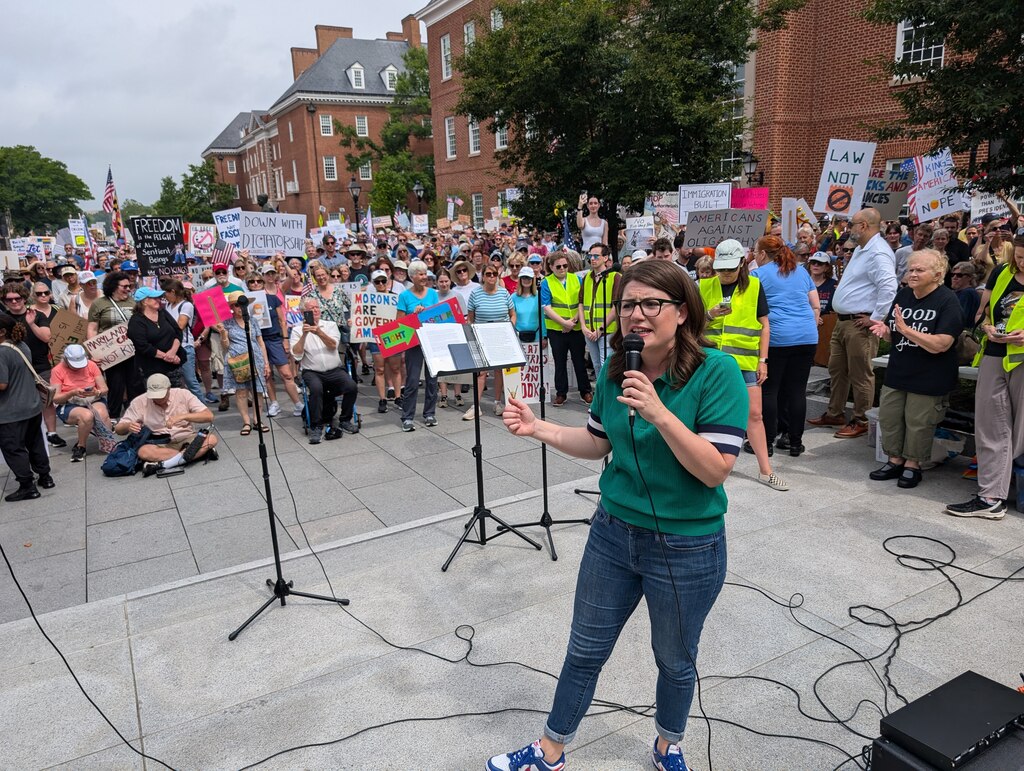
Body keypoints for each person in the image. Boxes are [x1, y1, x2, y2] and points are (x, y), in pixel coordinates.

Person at [489, 261, 747, 771]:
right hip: (613, 534)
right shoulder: (615, 372)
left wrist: (660, 413)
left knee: (675, 659)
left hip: (687, 546)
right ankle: (551, 750)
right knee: (584, 648)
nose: (637, 315)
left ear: (682, 311)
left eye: (653, 303)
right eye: (628, 304)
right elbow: (596, 441)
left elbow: (715, 469)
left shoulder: (717, 373)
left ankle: (668, 743)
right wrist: (537, 428)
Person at [867, 249, 963, 489]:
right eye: (910, 269)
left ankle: (913, 465)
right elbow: (894, 333)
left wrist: (906, 330)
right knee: (890, 418)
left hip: (930, 375)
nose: (913, 274)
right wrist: (885, 331)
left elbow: (942, 344)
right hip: (899, 370)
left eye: (920, 270)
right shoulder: (903, 295)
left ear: (938, 273)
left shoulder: (947, 300)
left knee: (918, 422)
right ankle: (894, 460)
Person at [946, 235, 1024, 518]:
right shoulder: (1003, 272)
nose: (1020, 263)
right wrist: (988, 327)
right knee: (991, 427)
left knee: (1018, 431)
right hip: (994, 354)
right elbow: (985, 312)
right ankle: (990, 496)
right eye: (1018, 256)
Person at [702, 239, 785, 491]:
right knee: (706, 413)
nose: (725, 273)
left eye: (730, 268)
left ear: (741, 263)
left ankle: (766, 470)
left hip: (745, 361)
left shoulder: (755, 286)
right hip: (711, 360)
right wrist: (709, 315)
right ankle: (705, 465)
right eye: (720, 268)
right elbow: (688, 325)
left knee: (755, 414)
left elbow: (765, 325)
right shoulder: (703, 286)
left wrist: (763, 360)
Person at [809, 208, 897, 439]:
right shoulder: (861, 250)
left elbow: (889, 287)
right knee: (837, 369)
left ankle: (861, 418)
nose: (849, 228)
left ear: (864, 226)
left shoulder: (878, 253)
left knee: (861, 373)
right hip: (843, 321)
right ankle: (835, 412)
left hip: (860, 323)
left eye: (853, 224)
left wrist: (876, 319)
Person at [753, 236, 820, 458]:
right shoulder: (801, 271)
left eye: (755, 251)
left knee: (770, 390)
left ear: (763, 254)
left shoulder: (758, 274)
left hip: (778, 337)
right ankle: (794, 442)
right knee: (797, 391)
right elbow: (815, 304)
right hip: (807, 336)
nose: (754, 255)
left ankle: (767, 441)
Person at [114, 373, 218, 476]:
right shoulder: (140, 401)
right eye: (154, 396)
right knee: (143, 452)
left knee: (211, 439)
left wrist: (183, 416)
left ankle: (164, 464)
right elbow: (118, 429)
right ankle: (195, 455)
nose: (158, 399)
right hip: (159, 442)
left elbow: (209, 416)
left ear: (169, 389)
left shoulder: (183, 394)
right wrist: (127, 426)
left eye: (161, 396)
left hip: (186, 437)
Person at [0, 313, 54, 501]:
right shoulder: (21, 345)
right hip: (31, 406)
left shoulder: (1, 352)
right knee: (35, 442)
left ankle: (26, 485)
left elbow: (2, 384)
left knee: (14, 448)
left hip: (10, 412)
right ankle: (45, 477)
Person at [290, 297, 359, 444]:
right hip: (312, 371)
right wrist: (304, 334)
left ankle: (345, 419)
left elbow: (333, 345)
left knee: (351, 386)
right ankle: (316, 425)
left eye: (316, 307)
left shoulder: (330, 325)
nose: (315, 310)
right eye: (311, 309)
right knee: (315, 389)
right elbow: (296, 354)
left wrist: (319, 332)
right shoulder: (296, 330)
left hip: (334, 369)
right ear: (303, 313)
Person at [50, 343, 118, 461]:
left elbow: (104, 389)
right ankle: (81, 446)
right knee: (87, 416)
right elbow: (56, 398)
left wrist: (96, 392)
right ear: (66, 360)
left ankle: (108, 442)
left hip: (92, 399)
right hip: (69, 403)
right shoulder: (57, 370)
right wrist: (72, 393)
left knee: (101, 413)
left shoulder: (91, 365)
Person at [466, 260, 516, 418]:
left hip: (501, 336)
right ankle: (476, 405)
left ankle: (497, 403)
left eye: (495, 274)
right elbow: (470, 318)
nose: (492, 277)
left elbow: (512, 314)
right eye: (488, 274)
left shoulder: (504, 292)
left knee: (499, 370)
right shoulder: (475, 293)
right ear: (483, 277)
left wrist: (510, 328)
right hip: (481, 335)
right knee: (481, 373)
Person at [542, 252, 593, 408]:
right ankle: (561, 393)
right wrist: (564, 323)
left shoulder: (576, 279)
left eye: (565, 265)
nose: (562, 268)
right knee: (560, 362)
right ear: (551, 267)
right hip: (556, 329)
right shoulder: (546, 282)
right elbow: (546, 307)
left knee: (579, 361)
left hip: (575, 327)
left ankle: (585, 391)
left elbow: (582, 301)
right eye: (558, 266)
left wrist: (573, 321)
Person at [87, 271, 138, 419]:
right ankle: (114, 416)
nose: (128, 289)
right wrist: (93, 352)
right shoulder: (99, 303)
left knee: (134, 383)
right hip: (110, 353)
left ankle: (134, 414)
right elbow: (92, 328)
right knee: (115, 384)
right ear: (114, 286)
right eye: (125, 286)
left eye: (130, 286)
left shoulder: (133, 302)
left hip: (132, 350)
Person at [397, 261, 440, 431]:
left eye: (425, 274)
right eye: (420, 274)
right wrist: (413, 315)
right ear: (412, 276)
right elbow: (399, 322)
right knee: (413, 380)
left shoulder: (432, 294)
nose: (424, 277)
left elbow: (437, 315)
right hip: (413, 342)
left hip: (431, 340)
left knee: (432, 379)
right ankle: (407, 416)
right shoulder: (405, 296)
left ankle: (429, 413)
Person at [221, 291, 270, 435]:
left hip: (256, 359)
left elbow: (260, 342)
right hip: (238, 361)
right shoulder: (227, 323)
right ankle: (246, 421)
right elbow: (225, 346)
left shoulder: (253, 320)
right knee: (241, 391)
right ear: (231, 307)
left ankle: (257, 419)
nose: (239, 307)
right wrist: (223, 334)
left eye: (242, 304)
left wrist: (266, 362)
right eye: (236, 305)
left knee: (258, 391)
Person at [127, 286, 182, 391]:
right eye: (155, 298)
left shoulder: (163, 313)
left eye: (159, 297)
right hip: (151, 368)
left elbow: (178, 332)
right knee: (158, 400)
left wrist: (173, 352)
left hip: (173, 366)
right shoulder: (136, 321)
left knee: (176, 398)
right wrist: (167, 357)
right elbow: (142, 345)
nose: (159, 299)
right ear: (144, 301)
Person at [579, 243, 620, 374]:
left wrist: (600, 329)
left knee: (605, 367)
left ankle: (607, 394)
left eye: (596, 256)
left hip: (607, 332)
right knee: (596, 366)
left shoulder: (615, 277)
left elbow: (616, 306)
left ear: (606, 258)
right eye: (590, 256)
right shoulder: (587, 278)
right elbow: (580, 303)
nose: (592, 259)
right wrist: (583, 327)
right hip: (589, 331)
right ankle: (600, 394)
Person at [163, 280, 205, 403]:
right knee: (175, 383)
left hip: (185, 347)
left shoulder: (186, 305)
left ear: (172, 292)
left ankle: (202, 408)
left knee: (190, 380)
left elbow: (180, 325)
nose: (164, 296)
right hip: (170, 348)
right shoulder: (167, 306)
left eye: (165, 293)